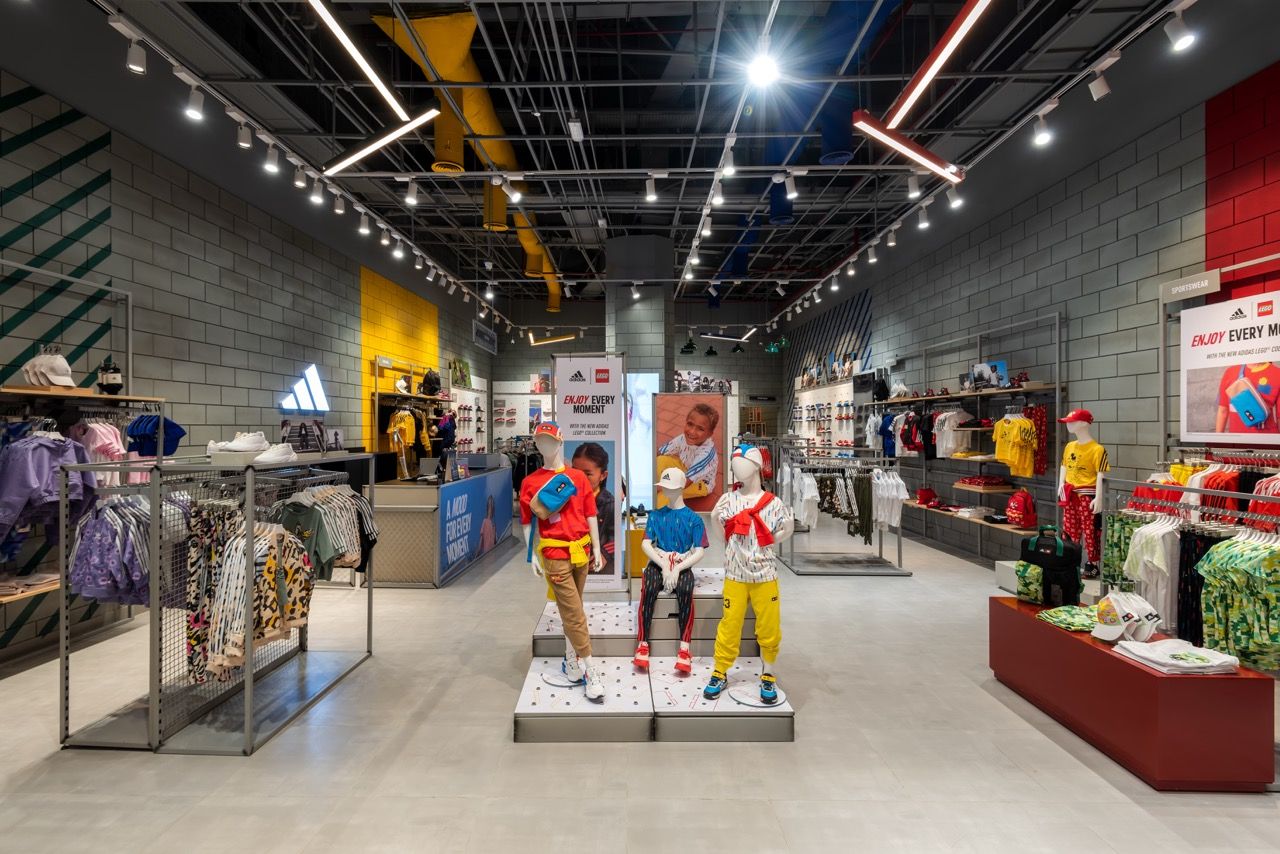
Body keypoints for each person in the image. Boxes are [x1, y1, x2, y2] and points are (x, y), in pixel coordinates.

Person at [656, 402, 719, 505]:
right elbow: (660, 452)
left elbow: (685, 482)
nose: (692, 432)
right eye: (690, 424)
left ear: (709, 434)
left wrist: (660, 487)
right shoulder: (683, 438)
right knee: (661, 460)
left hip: (699, 482)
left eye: (700, 429)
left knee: (664, 496)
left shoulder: (706, 454)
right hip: (685, 468)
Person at [571, 442, 614, 574]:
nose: (580, 479)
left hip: (597, 566)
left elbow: (615, 536)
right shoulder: (564, 498)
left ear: (603, 475)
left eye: (587, 474)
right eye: (575, 472)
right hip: (570, 562)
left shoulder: (609, 503)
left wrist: (603, 554)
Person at [1215, 362, 1280, 433]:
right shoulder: (1230, 372)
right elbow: (1223, 410)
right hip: (1236, 439)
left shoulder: (1277, 374)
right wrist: (1217, 441)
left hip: (1267, 439)